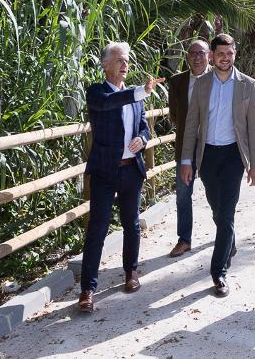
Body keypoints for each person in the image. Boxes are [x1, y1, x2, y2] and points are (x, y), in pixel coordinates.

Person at [78, 42, 163, 313]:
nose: (124, 65)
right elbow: (107, 104)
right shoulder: (97, 92)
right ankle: (88, 289)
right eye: (118, 60)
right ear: (105, 64)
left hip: (131, 170)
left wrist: (142, 138)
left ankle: (131, 272)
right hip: (105, 171)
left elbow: (142, 127)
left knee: (132, 224)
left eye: (126, 61)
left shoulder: (133, 97)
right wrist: (141, 92)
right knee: (97, 229)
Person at [179, 33, 255, 297]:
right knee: (217, 210)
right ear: (212, 56)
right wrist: (186, 160)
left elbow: (254, 127)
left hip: (234, 156)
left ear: (234, 54)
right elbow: (192, 124)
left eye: (230, 53)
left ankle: (219, 273)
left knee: (226, 212)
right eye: (220, 54)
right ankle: (230, 242)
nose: (225, 58)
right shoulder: (201, 84)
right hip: (208, 157)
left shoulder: (247, 85)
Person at [167, 39, 211, 257]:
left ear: (209, 56)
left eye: (201, 53)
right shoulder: (177, 82)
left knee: (218, 196)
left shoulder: (219, 78)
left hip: (214, 148)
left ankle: (225, 237)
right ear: (187, 57)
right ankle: (184, 239)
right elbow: (175, 114)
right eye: (193, 53)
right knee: (183, 195)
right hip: (186, 149)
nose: (197, 57)